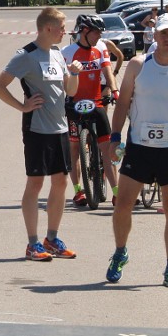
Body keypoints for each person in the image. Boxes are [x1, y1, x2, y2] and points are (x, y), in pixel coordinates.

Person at [108, 12, 168, 288]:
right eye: (164, 33)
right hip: (139, 146)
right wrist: (115, 137)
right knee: (124, 204)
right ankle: (120, 252)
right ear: (155, 35)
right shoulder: (138, 65)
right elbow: (123, 103)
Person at [0, 7, 83, 261]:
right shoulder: (26, 55)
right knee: (36, 183)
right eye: (62, 27)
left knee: (61, 182)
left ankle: (51, 239)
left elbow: (70, 91)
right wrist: (22, 106)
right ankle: (32, 244)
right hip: (37, 129)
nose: (65, 32)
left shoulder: (56, 53)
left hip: (60, 127)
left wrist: (73, 73)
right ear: (47, 28)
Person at [62, 14, 118, 207]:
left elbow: (107, 71)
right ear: (85, 31)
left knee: (107, 148)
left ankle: (116, 192)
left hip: (96, 102)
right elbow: (63, 83)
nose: (99, 36)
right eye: (97, 32)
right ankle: (78, 191)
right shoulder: (67, 52)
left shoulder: (101, 47)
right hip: (74, 103)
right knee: (75, 147)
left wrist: (115, 90)